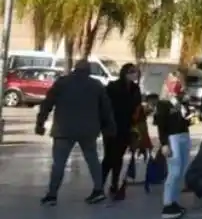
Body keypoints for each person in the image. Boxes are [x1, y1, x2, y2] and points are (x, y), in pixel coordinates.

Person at [35, 59, 116, 206]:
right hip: (88, 131)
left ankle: (52, 195)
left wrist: (40, 123)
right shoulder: (96, 85)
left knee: (59, 163)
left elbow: (47, 103)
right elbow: (106, 109)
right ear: (89, 71)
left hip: (63, 130)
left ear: (74, 69)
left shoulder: (62, 83)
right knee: (93, 161)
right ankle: (98, 190)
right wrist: (110, 127)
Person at [153, 73, 194, 219]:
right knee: (174, 172)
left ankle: (175, 201)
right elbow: (161, 126)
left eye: (178, 82)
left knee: (182, 171)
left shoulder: (182, 101)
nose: (176, 85)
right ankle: (168, 203)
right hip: (172, 138)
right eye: (173, 82)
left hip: (184, 135)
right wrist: (164, 144)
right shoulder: (163, 103)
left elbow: (187, 119)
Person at [102, 62, 142, 201]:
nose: (134, 74)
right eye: (131, 71)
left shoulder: (135, 89)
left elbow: (137, 108)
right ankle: (100, 184)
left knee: (118, 156)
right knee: (109, 157)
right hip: (112, 126)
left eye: (135, 71)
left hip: (126, 127)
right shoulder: (113, 87)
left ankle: (114, 183)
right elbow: (105, 106)